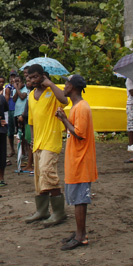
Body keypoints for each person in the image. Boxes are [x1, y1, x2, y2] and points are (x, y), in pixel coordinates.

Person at [55, 75, 98, 250]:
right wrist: (64, 118)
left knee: (80, 200)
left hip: (81, 161)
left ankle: (81, 236)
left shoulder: (81, 107)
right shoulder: (76, 107)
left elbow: (79, 133)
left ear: (72, 87)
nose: (64, 86)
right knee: (76, 198)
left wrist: (64, 120)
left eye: (66, 83)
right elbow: (73, 131)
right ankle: (80, 232)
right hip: (76, 159)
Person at [24, 64, 69, 226]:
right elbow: (31, 121)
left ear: (43, 76)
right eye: (30, 77)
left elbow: (65, 100)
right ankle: (42, 211)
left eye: (36, 77)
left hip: (51, 140)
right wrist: (33, 139)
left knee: (47, 172)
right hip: (38, 142)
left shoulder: (52, 92)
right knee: (38, 178)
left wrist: (50, 84)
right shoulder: (30, 95)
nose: (33, 80)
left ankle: (59, 212)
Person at [5, 70, 19, 157]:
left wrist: (16, 86)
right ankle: (12, 149)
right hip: (10, 109)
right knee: (10, 131)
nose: (13, 78)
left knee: (20, 130)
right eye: (11, 76)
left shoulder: (21, 86)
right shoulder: (8, 87)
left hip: (18, 109)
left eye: (14, 76)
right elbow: (7, 99)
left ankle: (22, 150)